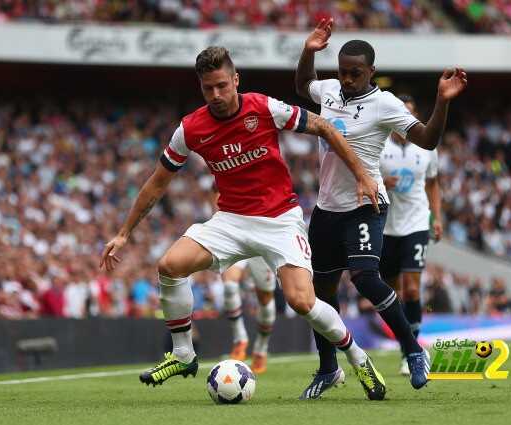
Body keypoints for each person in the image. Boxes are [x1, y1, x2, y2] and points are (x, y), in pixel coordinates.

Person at [100, 46, 384, 399]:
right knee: (170, 265)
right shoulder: (190, 129)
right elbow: (158, 181)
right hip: (231, 221)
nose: (216, 95)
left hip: (280, 219)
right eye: (208, 89)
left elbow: (324, 126)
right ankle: (184, 354)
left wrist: (361, 174)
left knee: (301, 301)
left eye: (222, 85)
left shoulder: (264, 108)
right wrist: (124, 234)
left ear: (236, 80)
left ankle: (359, 360)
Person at [295, 18, 467, 399]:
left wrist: (441, 102)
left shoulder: (384, 104)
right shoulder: (330, 91)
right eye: (342, 72)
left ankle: (413, 349)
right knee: (319, 292)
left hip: (366, 204)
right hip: (326, 208)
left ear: (371, 71)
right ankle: (327, 368)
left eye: (355, 73)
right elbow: (302, 85)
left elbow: (426, 139)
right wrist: (308, 52)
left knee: (365, 277)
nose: (347, 79)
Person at [379, 94, 443, 375]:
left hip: (416, 223)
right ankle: (406, 344)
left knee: (413, 289)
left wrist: (437, 217)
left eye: (410, 113)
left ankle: (412, 352)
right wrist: (381, 182)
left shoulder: (427, 148)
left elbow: (433, 183)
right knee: (390, 293)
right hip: (385, 226)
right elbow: (360, 178)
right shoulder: (378, 145)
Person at [223, 257, 276, 374]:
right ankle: (240, 340)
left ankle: (261, 349)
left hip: (261, 245)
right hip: (239, 239)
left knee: (265, 301)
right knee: (229, 285)